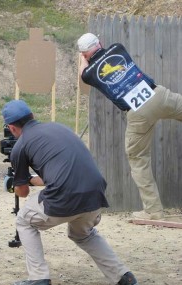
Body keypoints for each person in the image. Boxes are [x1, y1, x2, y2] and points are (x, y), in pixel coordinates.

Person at [1, 99, 139, 285]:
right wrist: (30, 180)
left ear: (12, 128)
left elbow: (22, 193)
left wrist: (14, 182)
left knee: (24, 220)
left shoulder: (20, 146)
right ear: (32, 116)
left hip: (65, 197)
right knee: (83, 234)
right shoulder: (59, 128)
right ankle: (124, 275)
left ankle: (38, 278)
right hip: (95, 193)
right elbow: (60, 173)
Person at [77, 32, 182, 221]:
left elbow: (82, 72)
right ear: (100, 43)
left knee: (138, 158)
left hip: (138, 111)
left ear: (84, 55)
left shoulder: (89, 73)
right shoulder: (118, 48)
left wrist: (82, 58)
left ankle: (153, 211)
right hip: (157, 94)